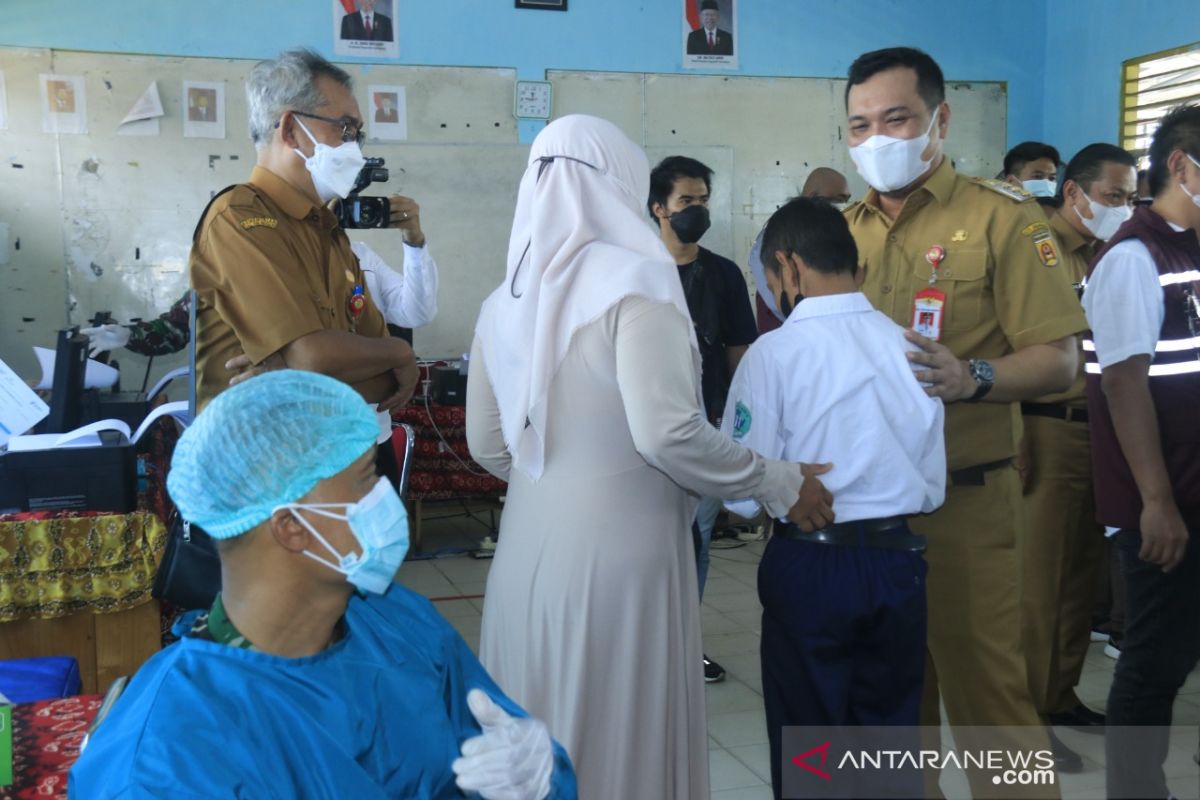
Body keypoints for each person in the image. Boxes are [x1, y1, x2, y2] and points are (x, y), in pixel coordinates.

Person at [466, 114, 827, 800]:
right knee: (615, 734)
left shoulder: (504, 298)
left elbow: (488, 442)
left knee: (535, 728)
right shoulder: (639, 281)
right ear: (624, 185)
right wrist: (775, 479)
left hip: (524, 549)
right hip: (621, 558)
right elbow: (668, 435)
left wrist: (564, 487)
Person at [68, 370, 577, 799]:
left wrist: (540, 779)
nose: (386, 499)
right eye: (365, 481)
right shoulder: (168, 750)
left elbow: (504, 745)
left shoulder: (401, 624)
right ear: (291, 525)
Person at [841, 47, 1085, 794]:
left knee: (990, 707)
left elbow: (1061, 359)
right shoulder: (838, 232)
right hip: (864, 508)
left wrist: (972, 375)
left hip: (964, 500)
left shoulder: (1003, 220)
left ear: (940, 119)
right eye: (858, 126)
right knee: (887, 705)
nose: (877, 140)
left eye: (896, 119)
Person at [723, 196, 945, 799]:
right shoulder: (914, 346)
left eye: (771, 279)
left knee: (812, 749)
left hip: (813, 566)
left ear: (789, 268)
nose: (773, 292)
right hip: (901, 562)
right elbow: (930, 483)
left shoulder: (772, 354)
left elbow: (742, 493)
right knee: (892, 739)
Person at [189, 49, 417, 450]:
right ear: (292, 130)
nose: (355, 148)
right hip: (262, 472)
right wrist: (397, 350)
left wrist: (302, 370)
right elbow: (315, 356)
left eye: (358, 134)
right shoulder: (240, 219)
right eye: (345, 130)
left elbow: (384, 383)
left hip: (333, 463)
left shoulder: (326, 228)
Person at [1081, 103, 1200, 800]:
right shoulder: (1133, 257)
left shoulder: (1190, 252)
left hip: (1193, 491)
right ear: (1182, 167)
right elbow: (1123, 386)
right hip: (1166, 506)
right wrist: (1155, 502)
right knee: (1152, 667)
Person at [1019, 143, 1137, 740]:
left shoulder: (1108, 254)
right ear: (1074, 192)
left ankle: (1060, 696)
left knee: (1080, 579)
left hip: (1100, 432)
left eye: (1128, 199)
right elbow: (1007, 342)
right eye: (1112, 197)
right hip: (1046, 429)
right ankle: (1030, 717)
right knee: (1043, 580)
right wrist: (1015, 432)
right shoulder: (1036, 249)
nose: (1122, 208)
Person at [648, 154, 759, 684]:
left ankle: (683, 643)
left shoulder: (723, 274)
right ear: (658, 208)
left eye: (702, 201)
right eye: (685, 201)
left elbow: (741, 353)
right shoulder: (633, 268)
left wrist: (738, 429)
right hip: (641, 432)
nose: (697, 210)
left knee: (697, 537)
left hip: (707, 423)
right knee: (647, 540)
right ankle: (642, 643)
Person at [82, 226, 439, 359]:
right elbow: (179, 326)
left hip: (365, 422)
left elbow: (415, 313)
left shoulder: (360, 255)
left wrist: (414, 243)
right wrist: (130, 334)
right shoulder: (250, 262)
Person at [753, 167, 852, 335]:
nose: (843, 207)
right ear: (813, 198)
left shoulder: (835, 234)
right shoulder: (777, 235)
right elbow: (774, 293)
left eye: (847, 200)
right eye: (838, 200)